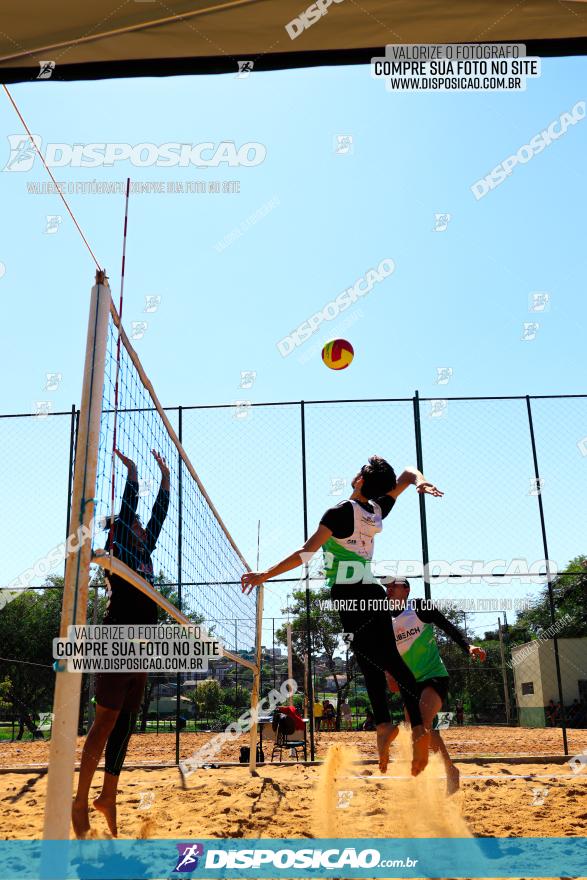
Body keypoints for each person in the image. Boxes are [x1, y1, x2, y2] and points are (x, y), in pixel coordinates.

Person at [242, 455, 443, 774]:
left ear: (361, 479)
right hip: (373, 593)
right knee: (387, 658)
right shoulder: (376, 511)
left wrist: (264, 574)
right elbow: (406, 473)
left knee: (372, 662)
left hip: (349, 596)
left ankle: (384, 726)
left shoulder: (338, 513)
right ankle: (412, 727)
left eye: (359, 472)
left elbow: (304, 554)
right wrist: (419, 480)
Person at [72, 448, 170, 839]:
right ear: (124, 529)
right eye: (136, 525)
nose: (144, 528)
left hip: (142, 643)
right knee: (105, 721)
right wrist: (131, 473)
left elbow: (158, 516)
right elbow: (131, 511)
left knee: (126, 722)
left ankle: (106, 796)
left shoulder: (143, 549)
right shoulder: (121, 546)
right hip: (118, 639)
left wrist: (165, 479)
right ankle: (80, 799)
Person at [383, 577, 486, 794]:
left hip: (434, 677)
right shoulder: (384, 619)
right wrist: (388, 674)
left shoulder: (419, 606)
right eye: (386, 587)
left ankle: (447, 773)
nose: (389, 589)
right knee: (418, 728)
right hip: (410, 683)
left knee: (423, 722)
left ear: (406, 589)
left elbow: (447, 626)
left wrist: (468, 646)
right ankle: (448, 770)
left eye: (394, 586)